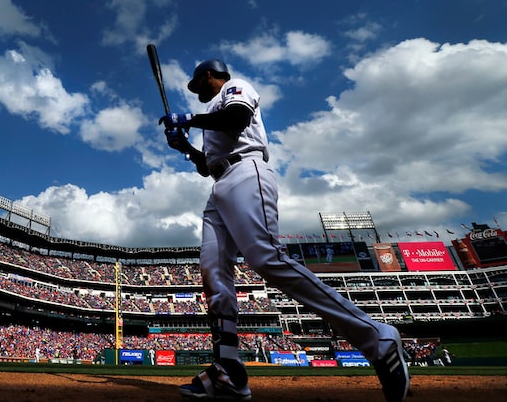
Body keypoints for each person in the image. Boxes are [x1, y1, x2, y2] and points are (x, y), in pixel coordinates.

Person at [159, 59, 410, 401]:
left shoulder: (236, 89)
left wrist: (187, 119)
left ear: (208, 77)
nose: (196, 92)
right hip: (220, 185)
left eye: (197, 85)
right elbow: (207, 167)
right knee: (214, 274)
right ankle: (228, 371)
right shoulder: (211, 115)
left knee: (265, 257)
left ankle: (375, 336)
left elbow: (237, 118)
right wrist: (185, 149)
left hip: (248, 173)